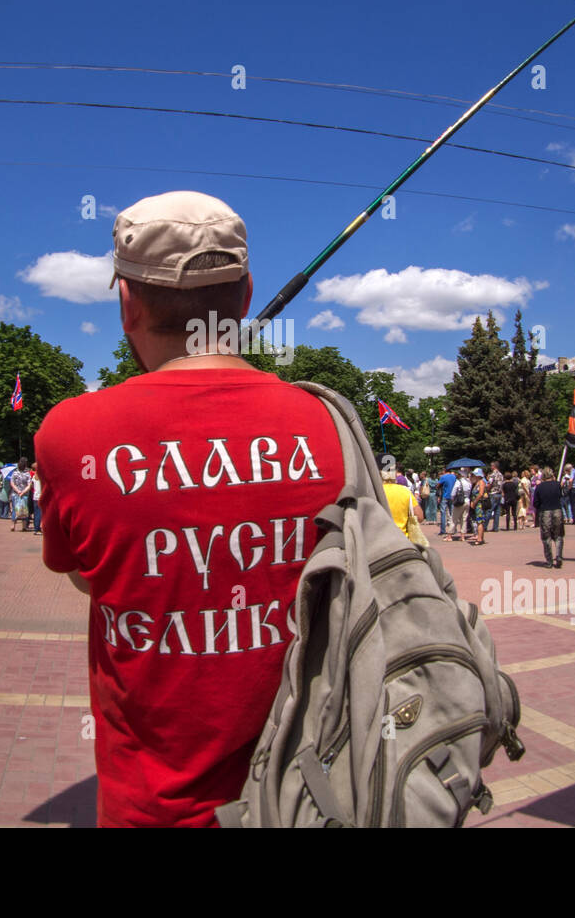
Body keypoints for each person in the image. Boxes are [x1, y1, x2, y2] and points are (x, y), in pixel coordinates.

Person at [34, 190, 346, 827]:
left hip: (150, 807)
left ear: (128, 303)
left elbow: (87, 574)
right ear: (248, 292)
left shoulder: (71, 434)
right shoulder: (327, 424)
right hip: (306, 795)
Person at [533, 468, 565, 568]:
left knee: (546, 537)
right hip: (557, 511)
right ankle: (559, 556)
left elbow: (535, 503)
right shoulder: (557, 485)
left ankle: (549, 560)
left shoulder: (539, 487)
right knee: (558, 535)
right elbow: (560, 496)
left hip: (545, 512)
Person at [469, 467, 489, 545]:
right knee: (478, 521)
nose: (473, 476)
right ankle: (481, 537)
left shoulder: (481, 482)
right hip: (477, 505)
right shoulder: (476, 483)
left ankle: (479, 538)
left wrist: (474, 502)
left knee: (479, 521)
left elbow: (480, 494)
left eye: (474, 475)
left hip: (479, 504)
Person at [9, 463, 30, 531]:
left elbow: (12, 483)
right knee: (24, 509)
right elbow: (29, 485)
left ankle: (13, 525)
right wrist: (23, 492)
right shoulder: (27, 474)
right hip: (24, 494)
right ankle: (24, 526)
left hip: (15, 494)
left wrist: (18, 491)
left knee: (15, 509)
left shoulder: (14, 473)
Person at [437, 466, 455, 537]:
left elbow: (437, 485)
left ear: (444, 471)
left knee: (443, 512)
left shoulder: (443, 477)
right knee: (452, 513)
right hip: (452, 496)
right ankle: (453, 529)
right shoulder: (454, 477)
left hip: (445, 495)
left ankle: (443, 530)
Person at [487, 462, 504, 533]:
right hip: (499, 494)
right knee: (497, 511)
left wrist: (487, 489)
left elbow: (490, 484)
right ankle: (495, 527)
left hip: (493, 493)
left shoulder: (492, 475)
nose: (491, 467)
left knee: (489, 510)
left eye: (491, 466)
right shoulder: (501, 475)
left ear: (494, 466)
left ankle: (484, 526)